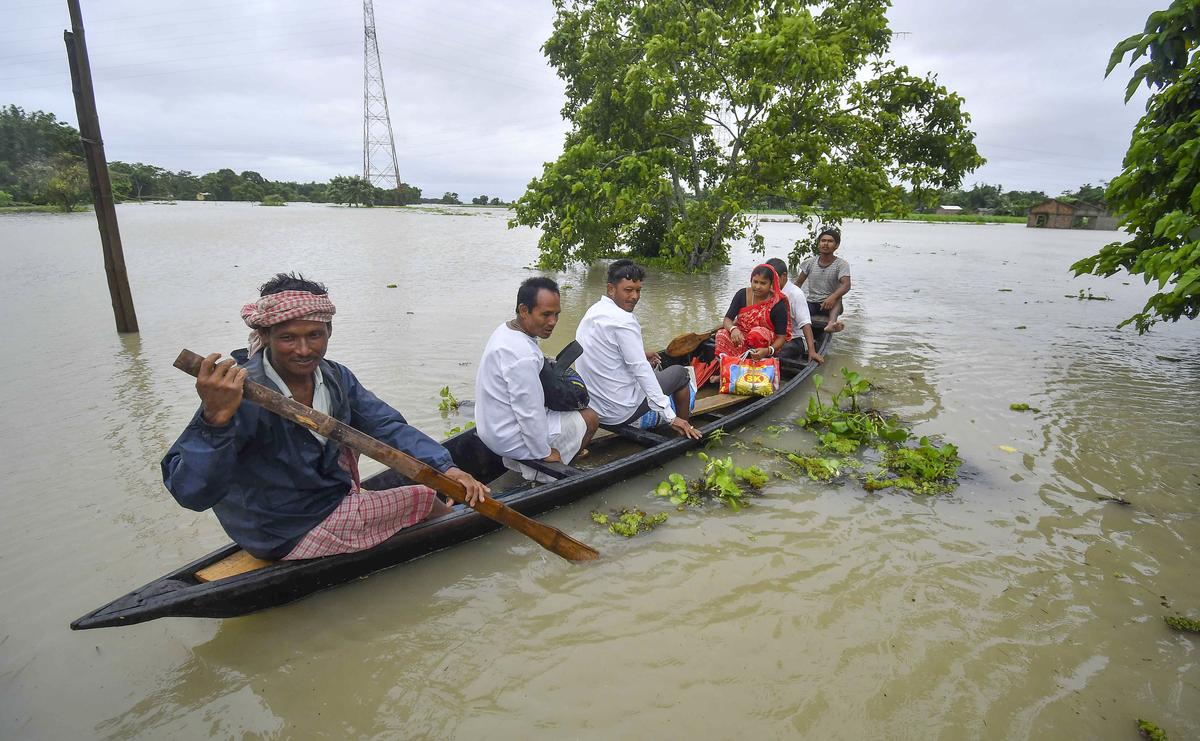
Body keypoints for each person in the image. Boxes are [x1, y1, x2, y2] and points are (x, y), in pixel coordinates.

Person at [161, 273, 489, 561]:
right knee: (424, 497)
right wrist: (214, 419)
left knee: (392, 478)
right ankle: (453, 537)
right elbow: (191, 493)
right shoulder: (240, 394)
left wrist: (447, 466)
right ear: (266, 337)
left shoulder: (335, 377)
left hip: (321, 499)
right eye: (288, 338)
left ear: (329, 332)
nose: (304, 350)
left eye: (314, 335)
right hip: (280, 530)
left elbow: (385, 425)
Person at [475, 277, 600, 482]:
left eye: (556, 314)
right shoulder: (522, 354)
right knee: (591, 418)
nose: (553, 322)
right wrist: (543, 452)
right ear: (524, 310)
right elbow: (528, 411)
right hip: (508, 435)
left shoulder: (506, 330)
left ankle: (562, 451)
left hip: (490, 429)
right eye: (546, 314)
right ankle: (550, 474)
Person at [575, 260, 702, 440]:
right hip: (618, 411)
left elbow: (606, 352)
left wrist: (641, 354)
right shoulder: (624, 321)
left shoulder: (594, 311)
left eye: (638, 290)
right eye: (628, 290)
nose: (634, 296)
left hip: (593, 405)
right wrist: (670, 417)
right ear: (611, 289)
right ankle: (683, 428)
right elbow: (641, 371)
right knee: (680, 373)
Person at [714, 263, 792, 360]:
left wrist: (768, 350)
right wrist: (733, 329)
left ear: (771, 284)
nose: (757, 286)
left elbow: (781, 338)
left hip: (763, 342)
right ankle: (730, 365)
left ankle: (752, 362)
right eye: (755, 282)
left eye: (763, 283)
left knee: (756, 333)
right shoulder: (742, 294)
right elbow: (727, 319)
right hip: (741, 337)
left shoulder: (777, 304)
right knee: (721, 334)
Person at [766, 257, 824, 364]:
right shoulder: (767, 291)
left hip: (793, 338)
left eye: (773, 279)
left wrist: (812, 351)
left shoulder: (795, 294)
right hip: (771, 336)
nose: (769, 283)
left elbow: (805, 324)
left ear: (783, 276)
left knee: (776, 356)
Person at [796, 226, 851, 332]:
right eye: (823, 241)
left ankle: (831, 324)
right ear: (818, 244)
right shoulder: (809, 262)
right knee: (796, 306)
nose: (825, 244)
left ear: (836, 246)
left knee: (838, 299)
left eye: (830, 241)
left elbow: (846, 285)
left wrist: (832, 297)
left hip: (831, 305)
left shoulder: (841, 264)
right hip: (812, 302)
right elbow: (798, 283)